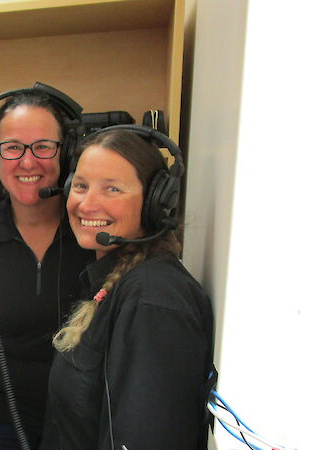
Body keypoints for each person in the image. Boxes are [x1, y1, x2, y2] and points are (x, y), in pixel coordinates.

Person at [41, 128, 214, 449]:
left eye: (112, 189)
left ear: (154, 202)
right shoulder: (113, 281)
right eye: (80, 186)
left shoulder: (153, 299)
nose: (87, 204)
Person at [0, 88, 93, 449]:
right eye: (13, 147)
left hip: (82, 424)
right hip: (6, 424)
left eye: (43, 146)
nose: (28, 162)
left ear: (67, 152)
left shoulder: (91, 232)